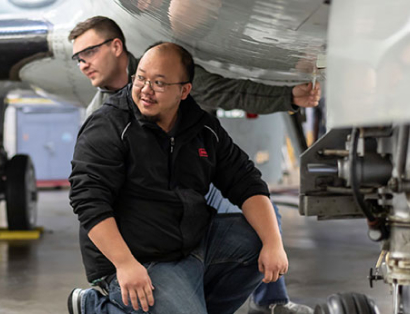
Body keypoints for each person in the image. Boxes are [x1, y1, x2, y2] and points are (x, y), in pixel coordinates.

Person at [67, 16, 320, 314]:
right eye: (141, 79)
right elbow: (89, 201)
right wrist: (124, 265)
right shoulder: (107, 123)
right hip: (140, 257)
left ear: (184, 91)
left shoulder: (201, 126)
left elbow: (246, 180)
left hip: (188, 240)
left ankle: (258, 302)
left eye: (159, 83)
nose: (146, 89)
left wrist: (274, 244)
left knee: (261, 233)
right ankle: (95, 305)